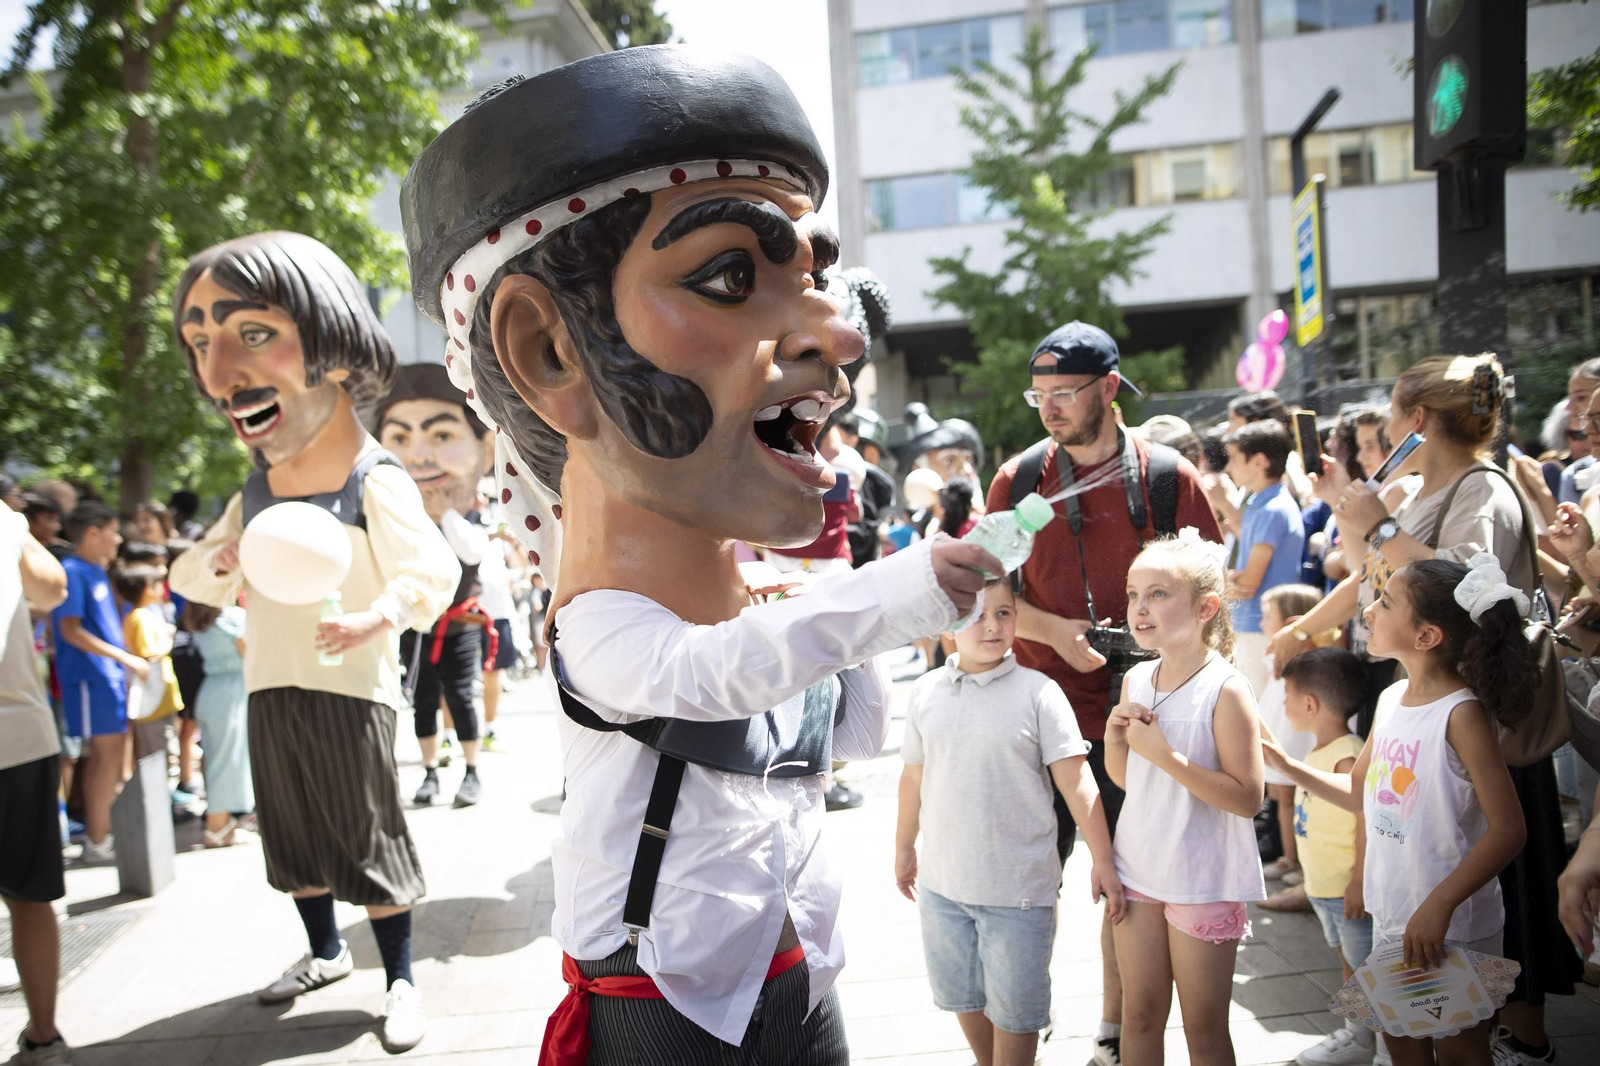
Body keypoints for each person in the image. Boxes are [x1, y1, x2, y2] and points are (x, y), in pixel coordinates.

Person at [398, 48, 998, 1062]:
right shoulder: (600, 629)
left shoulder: (763, 609)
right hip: (665, 998)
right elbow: (713, 677)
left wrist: (828, 609)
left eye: (815, 280)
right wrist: (902, 587)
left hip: (795, 972)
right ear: (548, 351)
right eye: (730, 277)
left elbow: (849, 734)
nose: (839, 335)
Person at [167, 231, 459, 1054]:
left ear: (330, 336)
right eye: (200, 345)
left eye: (252, 333)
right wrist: (222, 561)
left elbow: (431, 572)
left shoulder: (375, 479)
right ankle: (325, 951)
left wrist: (377, 618)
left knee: (368, 834)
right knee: (291, 833)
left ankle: (401, 978)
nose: (219, 374)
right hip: (270, 683)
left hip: (351, 687)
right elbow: (190, 576)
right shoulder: (255, 491)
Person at [1272, 356, 1582, 1062]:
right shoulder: (1391, 695)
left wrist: (1381, 528)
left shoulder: (1482, 489)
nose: (1386, 429)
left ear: (1416, 419)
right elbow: (1375, 578)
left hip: (1478, 733)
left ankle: (1523, 1041)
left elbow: (1466, 589)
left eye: (1390, 414)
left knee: (1472, 1003)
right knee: (1407, 1032)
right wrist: (1350, 516)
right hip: (1400, 877)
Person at [985, 321, 1222, 1066]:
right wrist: (1052, 631)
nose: (1050, 408)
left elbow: (1214, 597)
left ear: (1110, 388)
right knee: (1028, 885)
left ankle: (1116, 1032)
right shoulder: (1020, 479)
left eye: (1065, 392)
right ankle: (1022, 1016)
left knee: (1130, 885)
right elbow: (985, 591)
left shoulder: (1167, 478)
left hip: (1142, 714)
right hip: (1038, 712)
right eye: (1040, 395)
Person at [1265, 556, 1532, 1066]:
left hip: (1449, 925)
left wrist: (1439, 906)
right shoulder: (1390, 700)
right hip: (1395, 915)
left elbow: (1508, 830)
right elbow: (1359, 793)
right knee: (1401, 1043)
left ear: (1426, 636)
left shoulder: (1461, 714)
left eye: (1386, 602)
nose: (1368, 610)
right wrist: (1284, 765)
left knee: (1459, 1051)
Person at [896, 579, 1125, 1066]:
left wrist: (1102, 859)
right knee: (964, 998)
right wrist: (903, 847)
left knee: (1018, 1015)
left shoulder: (1039, 693)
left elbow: (1076, 780)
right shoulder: (925, 692)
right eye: (976, 614)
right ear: (947, 625)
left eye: (1003, 612)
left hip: (1019, 893)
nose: (992, 625)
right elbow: (913, 777)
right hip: (943, 889)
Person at [373, 361, 494, 808]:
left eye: (441, 436)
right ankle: (428, 772)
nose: (420, 457)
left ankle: (471, 770)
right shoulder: (396, 520)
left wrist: (445, 513)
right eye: (400, 439)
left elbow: (473, 552)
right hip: (415, 623)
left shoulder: (470, 516)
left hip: (459, 624)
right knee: (422, 698)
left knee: (460, 696)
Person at [1268, 648, 1381, 1066]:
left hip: (1345, 890)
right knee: (1348, 964)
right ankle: (1359, 1036)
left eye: (1287, 697)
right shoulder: (1319, 752)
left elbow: (1366, 817)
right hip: (1323, 888)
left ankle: (1382, 1046)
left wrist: (1359, 881)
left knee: (1364, 970)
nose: (1284, 705)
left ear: (1310, 704)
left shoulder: (1347, 753)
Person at [2, 506, 74, 1065]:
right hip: (17, 737)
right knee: (30, 896)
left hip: (19, 736)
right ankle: (44, 1037)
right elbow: (51, 588)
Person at [50, 502, 146, 862]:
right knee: (103, 757)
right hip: (90, 677)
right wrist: (124, 657)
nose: (118, 539)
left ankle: (102, 833)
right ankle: (97, 838)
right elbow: (69, 630)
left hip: (107, 676)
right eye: (113, 532)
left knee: (112, 756)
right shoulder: (73, 571)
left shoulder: (95, 570)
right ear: (93, 533)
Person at [1223, 419, 1305, 698]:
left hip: (1261, 629)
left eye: (1235, 459)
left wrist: (1220, 581)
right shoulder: (1264, 504)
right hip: (1256, 626)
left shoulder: (1272, 509)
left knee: (1255, 708)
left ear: (1259, 461)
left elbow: (1248, 584)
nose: (1229, 467)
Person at [1255, 583, 1325, 899]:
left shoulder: (1310, 659)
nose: (1261, 624)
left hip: (1295, 735)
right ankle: (1288, 856)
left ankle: (1303, 863)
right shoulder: (1274, 654)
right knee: (1280, 795)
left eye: (1267, 616)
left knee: (1296, 797)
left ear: (1290, 621)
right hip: (1279, 727)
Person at [185, 600, 253, 847]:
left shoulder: (199, 618)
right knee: (227, 760)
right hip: (231, 692)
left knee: (216, 757)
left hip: (210, 690)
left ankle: (223, 825)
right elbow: (249, 653)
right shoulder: (231, 617)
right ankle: (216, 827)